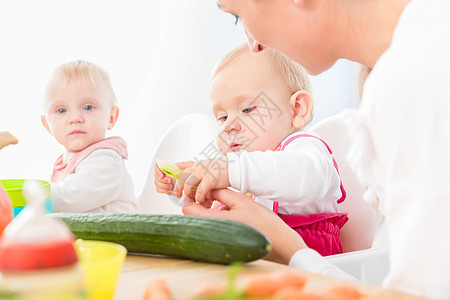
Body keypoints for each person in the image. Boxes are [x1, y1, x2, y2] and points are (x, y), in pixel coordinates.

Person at [183, 0, 450, 298]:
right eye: (221, 116)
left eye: (237, 16)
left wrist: (287, 246)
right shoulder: (416, 54)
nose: (254, 44)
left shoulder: (417, 77)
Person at [155, 44, 348, 256]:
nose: (229, 126)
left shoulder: (303, 147)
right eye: (222, 117)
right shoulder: (240, 168)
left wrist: (228, 171)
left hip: (308, 262)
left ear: (297, 109)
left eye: (247, 109)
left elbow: (307, 177)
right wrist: (196, 189)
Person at [41, 60, 139, 213]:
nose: (75, 118)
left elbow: (68, 200)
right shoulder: (70, 160)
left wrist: (28, 193)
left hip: (119, 237)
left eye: (88, 107)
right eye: (61, 110)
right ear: (47, 125)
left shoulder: (106, 159)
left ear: (111, 118)